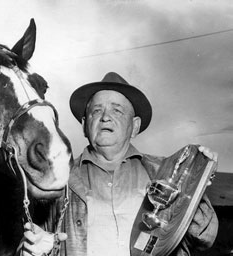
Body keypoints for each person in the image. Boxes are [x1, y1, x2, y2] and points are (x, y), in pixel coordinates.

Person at [18, 72, 218, 256]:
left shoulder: (165, 173)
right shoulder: (58, 180)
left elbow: (203, 238)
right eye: (97, 111)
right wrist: (36, 249)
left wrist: (195, 184)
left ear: (135, 126)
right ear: (84, 126)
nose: (105, 117)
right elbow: (28, 243)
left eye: (117, 110)